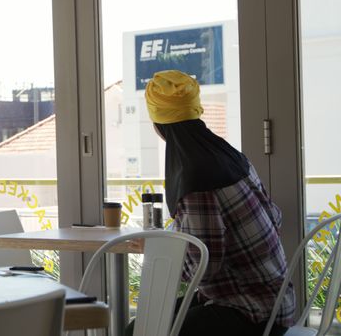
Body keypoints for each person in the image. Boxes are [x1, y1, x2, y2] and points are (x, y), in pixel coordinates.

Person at [126, 70, 295, 336]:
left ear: (158, 124)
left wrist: (157, 249)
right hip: (276, 302)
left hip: (251, 314)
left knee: (142, 330)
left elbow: (204, 270)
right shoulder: (231, 157)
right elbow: (276, 217)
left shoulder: (195, 178)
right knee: (144, 323)